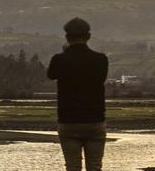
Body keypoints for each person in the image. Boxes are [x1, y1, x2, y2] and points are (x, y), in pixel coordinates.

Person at [47, 17, 109, 171]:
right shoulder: (101, 59)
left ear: (67, 38)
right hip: (95, 120)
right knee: (95, 166)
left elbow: (51, 74)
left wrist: (65, 53)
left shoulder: (59, 59)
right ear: (88, 37)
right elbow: (101, 78)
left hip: (68, 121)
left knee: (72, 167)